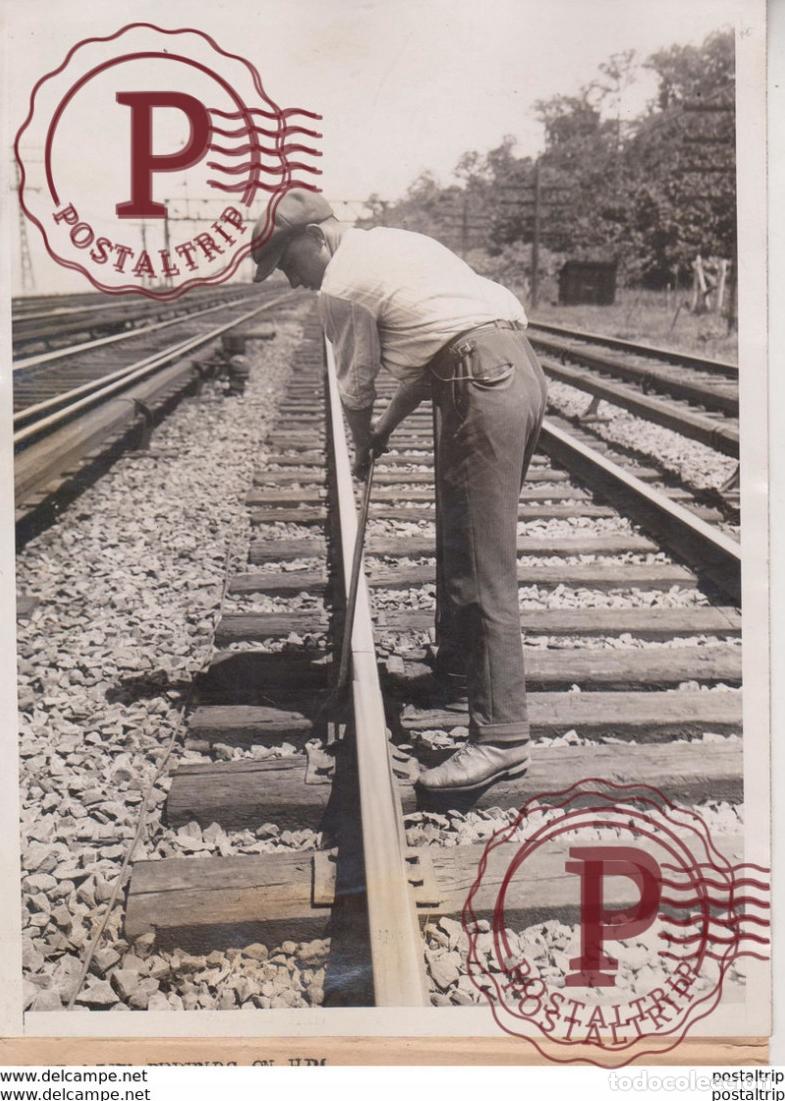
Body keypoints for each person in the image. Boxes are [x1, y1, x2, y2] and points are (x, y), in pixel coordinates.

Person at [251, 189, 548, 793]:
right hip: (513, 370)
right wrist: (386, 431)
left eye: (287, 263)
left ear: (315, 239)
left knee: (483, 563)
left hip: (479, 383)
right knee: (465, 544)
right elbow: (444, 347)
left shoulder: (343, 283)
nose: (290, 282)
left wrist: (361, 442)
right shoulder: (394, 244)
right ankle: (460, 676)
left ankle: (501, 739)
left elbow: (355, 389)